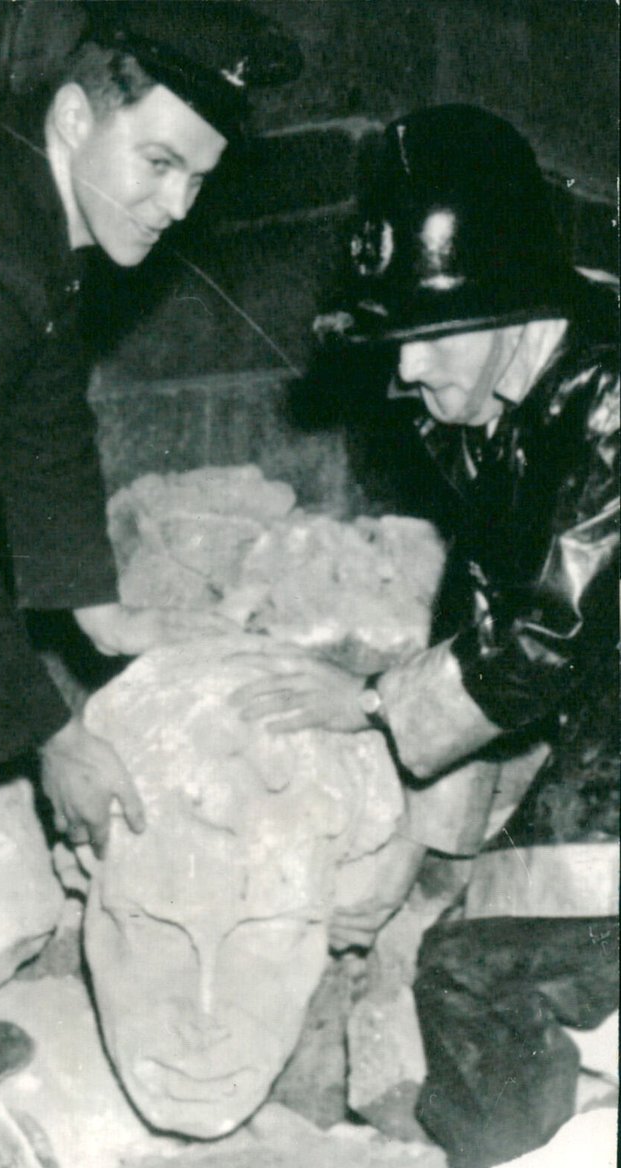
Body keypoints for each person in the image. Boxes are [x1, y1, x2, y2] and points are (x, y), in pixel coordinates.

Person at [230, 104, 619, 932]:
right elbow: (480, 604)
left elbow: (548, 635)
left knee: (501, 971)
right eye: (395, 333)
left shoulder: (609, 399)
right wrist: (429, 848)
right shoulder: (480, 400)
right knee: (483, 933)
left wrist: (371, 707)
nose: (406, 365)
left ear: (512, 307)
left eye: (432, 332)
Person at [0, 2, 302, 856]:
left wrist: (103, 613)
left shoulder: (28, 200)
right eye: (158, 164)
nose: (176, 208)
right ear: (76, 116)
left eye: (197, 179)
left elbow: (41, 419)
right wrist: (54, 736)